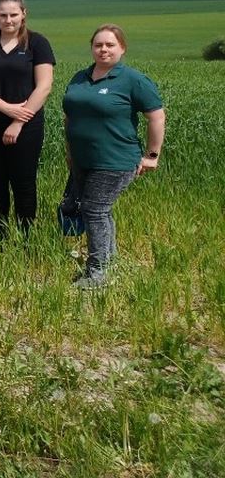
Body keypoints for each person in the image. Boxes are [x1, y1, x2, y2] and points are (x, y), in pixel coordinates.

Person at [62, 24, 164, 289]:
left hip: (115, 159)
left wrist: (152, 154)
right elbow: (69, 115)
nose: (103, 50)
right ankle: (110, 261)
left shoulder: (133, 80)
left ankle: (97, 272)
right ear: (92, 48)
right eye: (98, 45)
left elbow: (156, 116)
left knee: (94, 210)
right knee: (100, 211)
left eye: (110, 45)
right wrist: (70, 152)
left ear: (122, 48)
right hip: (82, 159)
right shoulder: (80, 77)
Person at [0, 0, 55, 238]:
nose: (8, 20)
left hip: (26, 125)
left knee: (23, 181)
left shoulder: (37, 43)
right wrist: (6, 107)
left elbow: (44, 86)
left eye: (14, 15)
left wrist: (17, 121)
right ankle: (0, 235)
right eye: (3, 15)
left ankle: (26, 237)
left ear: (23, 14)